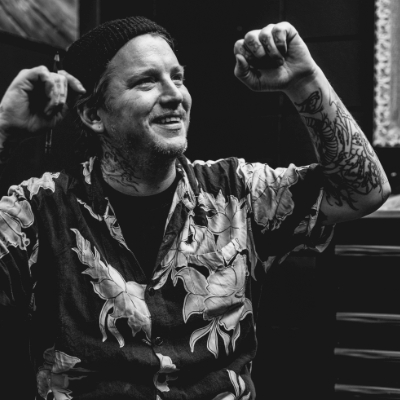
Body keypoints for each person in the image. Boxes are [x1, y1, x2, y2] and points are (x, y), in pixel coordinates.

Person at [0, 16, 390, 400]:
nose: (175, 95)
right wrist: (3, 129)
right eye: (146, 81)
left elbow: (364, 191)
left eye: (178, 77)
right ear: (93, 114)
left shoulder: (237, 192)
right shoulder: (39, 209)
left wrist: (304, 81)